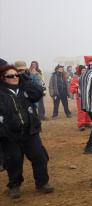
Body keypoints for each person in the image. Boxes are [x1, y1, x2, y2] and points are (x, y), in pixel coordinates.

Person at [0, 65, 54, 199]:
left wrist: (27, 80)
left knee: (40, 156)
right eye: (10, 76)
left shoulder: (24, 88)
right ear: (3, 78)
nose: (14, 78)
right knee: (14, 160)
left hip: (30, 132)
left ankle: (42, 183)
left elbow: (38, 94)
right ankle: (15, 185)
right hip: (10, 135)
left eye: (16, 75)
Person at [69, 65, 91, 131]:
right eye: (82, 70)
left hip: (87, 95)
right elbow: (71, 87)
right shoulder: (76, 78)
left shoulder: (87, 77)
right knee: (81, 111)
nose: (84, 71)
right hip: (80, 97)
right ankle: (81, 124)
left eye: (84, 70)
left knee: (88, 109)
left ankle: (87, 122)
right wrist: (76, 89)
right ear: (79, 71)